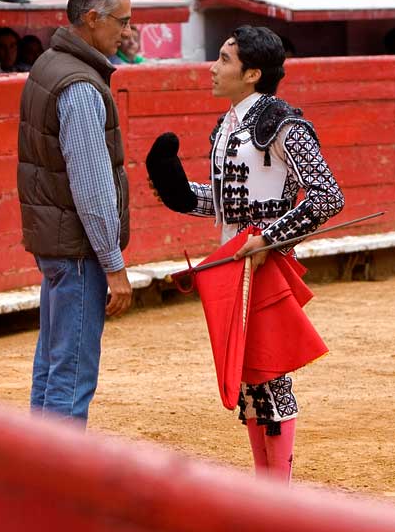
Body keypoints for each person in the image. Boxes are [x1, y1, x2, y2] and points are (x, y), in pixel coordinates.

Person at [147, 25, 345, 482]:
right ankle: (266, 491)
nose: (213, 68)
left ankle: (277, 496)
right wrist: (180, 193)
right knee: (251, 380)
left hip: (266, 264)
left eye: (224, 59)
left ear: (252, 73)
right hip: (235, 262)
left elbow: (328, 197)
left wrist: (271, 237)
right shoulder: (229, 124)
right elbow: (226, 203)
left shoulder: (282, 124)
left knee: (270, 375)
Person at [17, 0, 133, 424]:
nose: (126, 32)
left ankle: (36, 477)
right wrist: (113, 263)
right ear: (92, 18)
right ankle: (55, 488)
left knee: (51, 366)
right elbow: (91, 183)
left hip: (55, 243)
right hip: (79, 250)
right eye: (121, 22)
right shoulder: (81, 86)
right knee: (71, 373)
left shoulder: (49, 64)